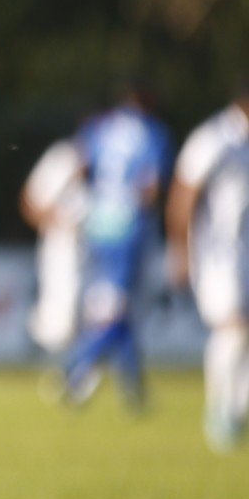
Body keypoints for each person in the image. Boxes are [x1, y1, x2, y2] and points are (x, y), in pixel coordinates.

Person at [58, 88, 172, 412]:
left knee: (112, 307)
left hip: (98, 223)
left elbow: (81, 168)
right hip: (128, 226)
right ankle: (74, 369)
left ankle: (133, 388)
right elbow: (150, 187)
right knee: (116, 309)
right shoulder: (152, 132)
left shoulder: (99, 127)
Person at [166, 87, 249, 452]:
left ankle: (237, 410)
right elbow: (183, 196)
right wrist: (180, 253)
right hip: (218, 257)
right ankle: (220, 410)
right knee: (233, 328)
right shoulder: (213, 139)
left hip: (245, 254)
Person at [19, 134, 89, 357]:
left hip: (103, 247)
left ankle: (80, 366)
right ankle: (50, 356)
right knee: (61, 311)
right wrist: (54, 225)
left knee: (95, 310)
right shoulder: (64, 156)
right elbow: (30, 201)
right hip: (64, 246)